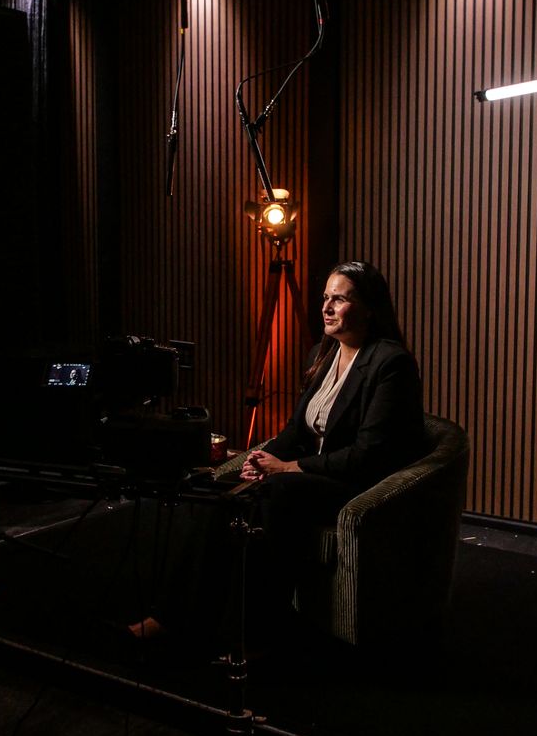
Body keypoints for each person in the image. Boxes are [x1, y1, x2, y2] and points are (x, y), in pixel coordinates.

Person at [129, 260, 426, 647]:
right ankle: (172, 618)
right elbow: (295, 429)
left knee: (277, 492)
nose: (327, 307)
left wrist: (287, 467)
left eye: (339, 299)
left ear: (370, 307)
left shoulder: (391, 363)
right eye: (325, 297)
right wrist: (260, 459)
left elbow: (367, 456)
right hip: (310, 475)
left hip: (356, 484)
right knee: (221, 491)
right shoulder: (321, 355)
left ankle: (254, 634)